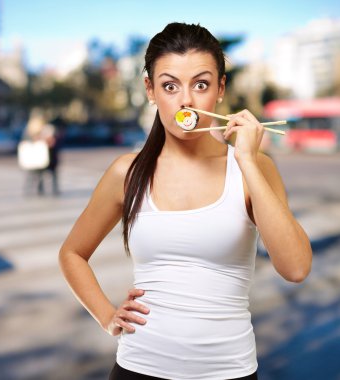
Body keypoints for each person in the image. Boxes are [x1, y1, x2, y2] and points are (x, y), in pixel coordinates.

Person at [59, 23, 312, 380]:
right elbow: (72, 253)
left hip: (230, 371)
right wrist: (106, 315)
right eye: (169, 86)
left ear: (220, 89)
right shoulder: (126, 172)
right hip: (138, 367)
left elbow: (296, 268)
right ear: (150, 90)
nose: (186, 100)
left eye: (201, 84)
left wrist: (247, 162)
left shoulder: (253, 168)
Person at [22, 114, 60, 195]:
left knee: (38, 175)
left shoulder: (29, 131)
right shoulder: (31, 132)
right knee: (42, 175)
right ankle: (46, 190)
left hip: (41, 159)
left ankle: (40, 190)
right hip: (42, 158)